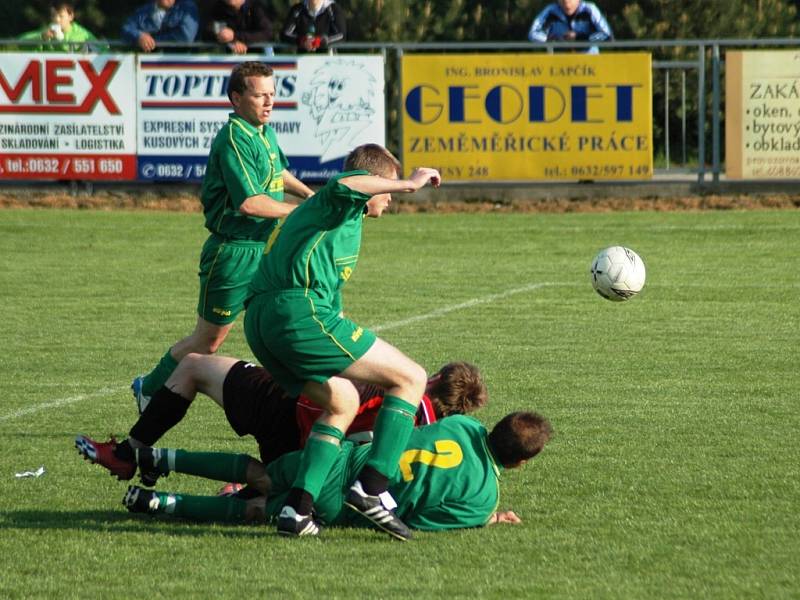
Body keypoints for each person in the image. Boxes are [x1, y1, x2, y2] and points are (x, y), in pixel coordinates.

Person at [243, 144, 441, 539]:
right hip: (294, 311)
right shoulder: (339, 201)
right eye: (384, 191)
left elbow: (331, 297)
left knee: (342, 401)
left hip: (265, 319)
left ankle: (297, 511)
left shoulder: (343, 225)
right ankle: (372, 486)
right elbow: (350, 181)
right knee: (411, 378)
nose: (388, 200)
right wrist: (408, 183)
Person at [131, 62, 314, 411]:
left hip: (265, 250)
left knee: (286, 322)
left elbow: (278, 173)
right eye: (260, 94)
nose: (269, 102)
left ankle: (301, 406)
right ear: (236, 98)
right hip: (233, 253)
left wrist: (308, 195)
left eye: (273, 94)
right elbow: (249, 202)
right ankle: (150, 388)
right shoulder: (232, 139)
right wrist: (303, 212)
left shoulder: (265, 133)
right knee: (208, 341)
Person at [121, 411, 552, 535]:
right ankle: (158, 503)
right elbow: (413, 521)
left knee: (256, 472)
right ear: (520, 462)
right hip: (339, 502)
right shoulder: (481, 500)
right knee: (256, 508)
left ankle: (159, 458)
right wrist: (488, 516)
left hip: (335, 459)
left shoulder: (464, 425)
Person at [76, 353, 487, 481]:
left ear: (432, 377)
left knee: (193, 367)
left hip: (284, 401)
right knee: (266, 482)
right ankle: (242, 489)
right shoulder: (424, 432)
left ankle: (130, 454)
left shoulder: (400, 382)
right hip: (308, 454)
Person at [527, 0, 612, 55]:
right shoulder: (551, 11)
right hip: (560, 67)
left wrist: (579, 38)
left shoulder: (590, 10)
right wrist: (554, 40)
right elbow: (533, 33)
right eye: (563, 0)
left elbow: (606, 34)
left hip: (589, 66)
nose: (567, 2)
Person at [121, 0, 199, 53]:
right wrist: (139, 36)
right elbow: (126, 28)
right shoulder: (144, 11)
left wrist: (152, 41)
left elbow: (185, 37)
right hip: (148, 65)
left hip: (182, 64)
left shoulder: (187, 8)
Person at [18, 3, 98, 52]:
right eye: (53, 15)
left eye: (61, 16)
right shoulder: (47, 31)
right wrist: (41, 37)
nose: (56, 19)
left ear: (71, 16)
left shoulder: (83, 34)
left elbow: (102, 50)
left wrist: (88, 50)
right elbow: (20, 42)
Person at [204, 0, 273, 55]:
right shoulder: (218, 8)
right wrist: (231, 41)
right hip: (229, 60)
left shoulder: (257, 6)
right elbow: (210, 31)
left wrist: (235, 36)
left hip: (261, 57)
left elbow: (267, 33)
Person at [282, 0, 346, 53]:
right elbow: (285, 34)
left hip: (327, 60)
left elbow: (341, 35)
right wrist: (303, 41)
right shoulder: (297, 9)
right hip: (302, 61)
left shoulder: (333, 9)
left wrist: (319, 41)